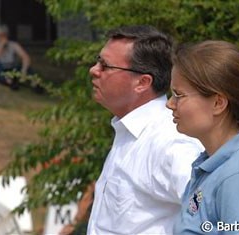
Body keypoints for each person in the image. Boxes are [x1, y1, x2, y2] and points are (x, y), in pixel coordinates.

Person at [87, 25, 203, 235]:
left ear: (142, 82)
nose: (94, 70)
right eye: (97, 61)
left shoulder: (171, 141)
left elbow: (209, 216)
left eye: (105, 65)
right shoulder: (130, 132)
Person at [166, 40, 239, 234]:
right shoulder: (212, 167)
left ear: (218, 103)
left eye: (179, 95)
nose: (170, 104)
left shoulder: (236, 178)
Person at [0, 24, 31, 89]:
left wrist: (24, 70)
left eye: (1, 35)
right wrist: (1, 46)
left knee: (25, 66)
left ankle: (34, 82)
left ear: (6, 35)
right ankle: (9, 81)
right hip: (1, 69)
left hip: (11, 68)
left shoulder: (13, 44)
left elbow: (25, 57)